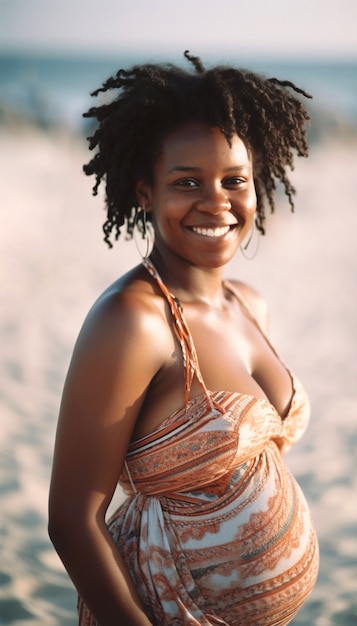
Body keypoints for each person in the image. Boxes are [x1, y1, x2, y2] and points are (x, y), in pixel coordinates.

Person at [48, 51, 319, 626]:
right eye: (187, 182)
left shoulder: (251, 302)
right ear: (146, 192)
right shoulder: (132, 319)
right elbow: (73, 517)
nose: (216, 202)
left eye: (233, 181)